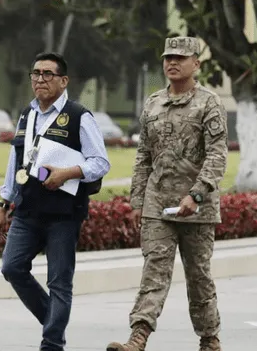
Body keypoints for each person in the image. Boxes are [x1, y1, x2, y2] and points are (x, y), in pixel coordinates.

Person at [106, 36, 229, 351]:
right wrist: (137, 201)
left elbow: (217, 156)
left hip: (197, 209)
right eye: (168, 58)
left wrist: (197, 195)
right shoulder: (153, 103)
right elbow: (143, 157)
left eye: (180, 58)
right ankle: (139, 336)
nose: (172, 63)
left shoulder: (209, 102)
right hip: (158, 205)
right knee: (154, 272)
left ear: (196, 64)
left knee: (199, 277)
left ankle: (209, 339)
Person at [0, 52, 110, 351]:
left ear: (63, 80)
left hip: (64, 213)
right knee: (12, 267)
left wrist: (68, 173)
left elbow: (100, 163)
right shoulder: (26, 115)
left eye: (47, 74)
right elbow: (15, 160)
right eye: (35, 73)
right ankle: (53, 320)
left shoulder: (78, 115)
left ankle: (52, 343)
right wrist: (4, 202)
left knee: (59, 282)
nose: (40, 79)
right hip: (28, 208)